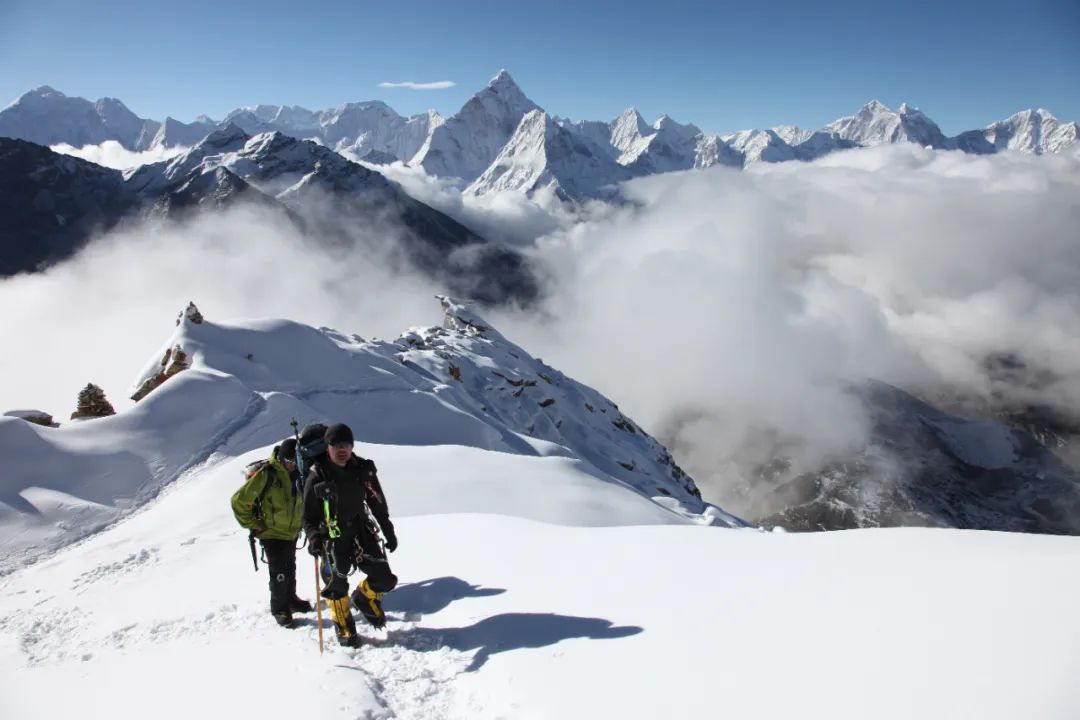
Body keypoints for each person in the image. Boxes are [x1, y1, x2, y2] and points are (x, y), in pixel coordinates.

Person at [302, 423, 398, 647]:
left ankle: (364, 598)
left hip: (360, 530)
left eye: (346, 444)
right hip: (331, 535)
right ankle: (343, 624)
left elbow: (376, 501)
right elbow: (308, 517)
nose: (342, 449)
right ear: (327, 446)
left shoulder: (362, 470)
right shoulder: (317, 476)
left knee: (384, 578)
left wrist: (388, 530)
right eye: (336, 445)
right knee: (336, 584)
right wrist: (314, 537)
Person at [230, 438, 313, 627]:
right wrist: (253, 523)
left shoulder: (300, 474)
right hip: (271, 533)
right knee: (279, 573)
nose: (292, 465)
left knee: (290, 567)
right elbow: (238, 501)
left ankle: (290, 599)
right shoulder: (267, 474)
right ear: (281, 458)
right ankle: (279, 609)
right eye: (289, 461)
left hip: (291, 532)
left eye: (296, 461)